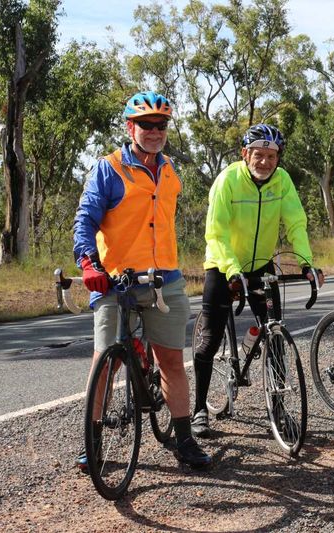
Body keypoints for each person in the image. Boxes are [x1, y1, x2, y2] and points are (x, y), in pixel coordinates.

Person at [73, 91, 211, 469]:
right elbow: (85, 220)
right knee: (105, 359)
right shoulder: (108, 169)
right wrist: (88, 263)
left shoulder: (170, 173)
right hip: (115, 280)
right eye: (146, 124)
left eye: (161, 125)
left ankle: (184, 440)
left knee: (170, 360)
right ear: (129, 127)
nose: (154, 131)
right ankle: (93, 441)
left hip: (164, 280)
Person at [191, 123, 324, 437]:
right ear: (245, 154)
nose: (265, 162)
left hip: (261, 265)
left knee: (274, 336)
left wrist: (305, 263)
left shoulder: (282, 181)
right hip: (223, 265)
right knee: (209, 340)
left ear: (278, 157)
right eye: (258, 155)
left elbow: (296, 223)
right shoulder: (228, 181)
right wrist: (232, 269)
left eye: (271, 156)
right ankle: (198, 410)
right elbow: (217, 232)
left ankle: (279, 411)